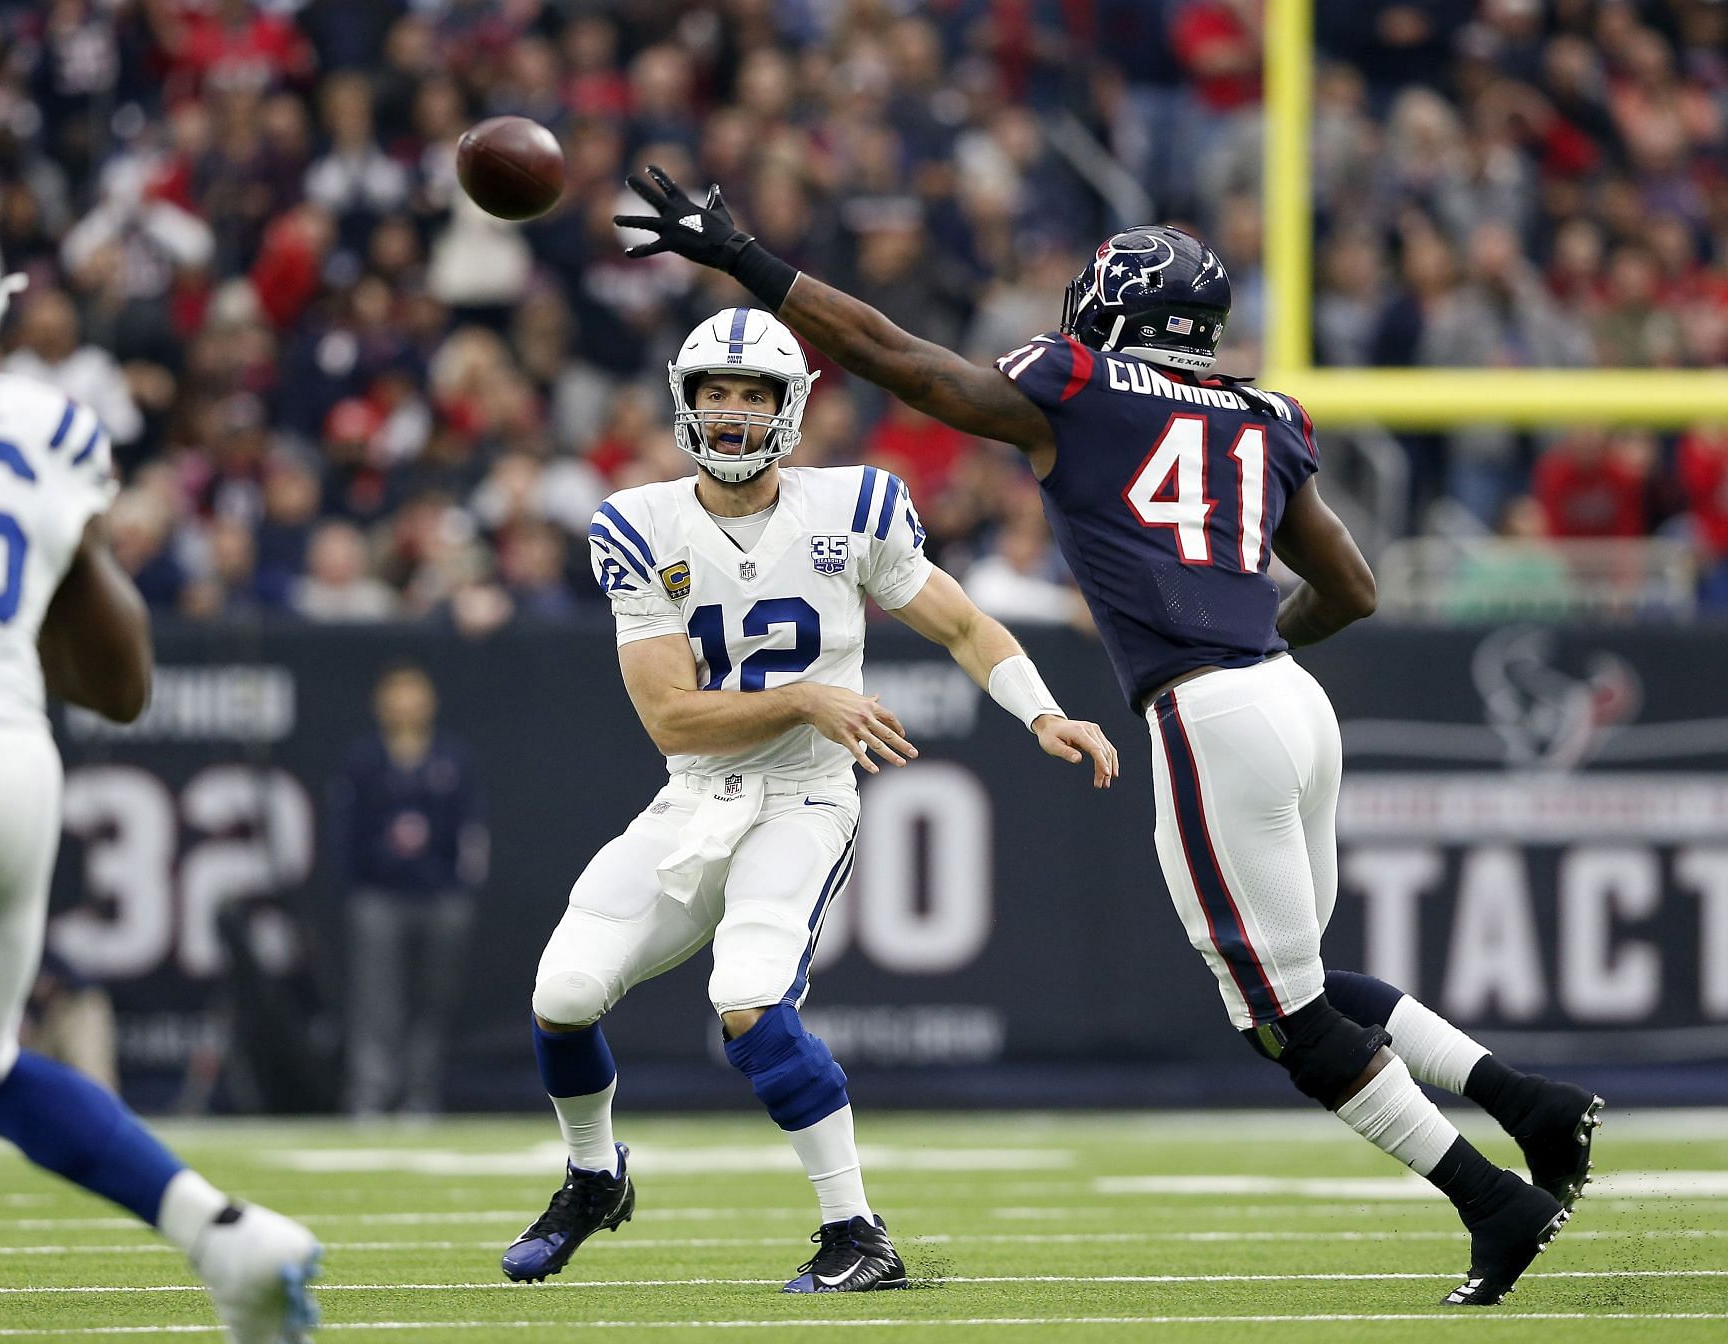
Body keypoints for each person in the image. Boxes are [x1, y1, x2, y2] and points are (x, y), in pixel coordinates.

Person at [615, 168, 1604, 1309]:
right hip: (1291, 696)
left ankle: (1495, 1201)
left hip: (1210, 710)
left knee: (1281, 1020)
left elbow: (903, 360)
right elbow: (1356, 590)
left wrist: (747, 259)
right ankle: (1533, 1106)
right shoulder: (1263, 413)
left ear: (1110, 308)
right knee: (1307, 981)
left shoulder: (1077, 382)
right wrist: (1250, 642)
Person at [502, 306, 1118, 1292]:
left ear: (791, 408)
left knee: (746, 999)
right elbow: (671, 717)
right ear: (685, 403)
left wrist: (1041, 714)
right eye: (718, 392)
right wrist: (803, 695)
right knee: (563, 996)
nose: (736, 412)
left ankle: (858, 1233)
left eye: (755, 393)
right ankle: (593, 1175)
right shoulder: (639, 524)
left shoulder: (853, 508)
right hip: (695, 794)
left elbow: (962, 625)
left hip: (804, 799)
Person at [0, 194, 320, 1343]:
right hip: (6, 778)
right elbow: (118, 686)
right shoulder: (44, 426)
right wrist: (72, 545)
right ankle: (227, 1236)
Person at [334, 663, 486, 1116]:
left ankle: (421, 1090)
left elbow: (471, 831)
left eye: (413, 694)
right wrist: (361, 880)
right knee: (376, 998)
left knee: (433, 998)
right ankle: (372, 1091)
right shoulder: (364, 760)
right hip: (380, 896)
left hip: (441, 896)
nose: (405, 705)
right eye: (396, 695)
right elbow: (347, 831)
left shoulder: (452, 759)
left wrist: (460, 884)